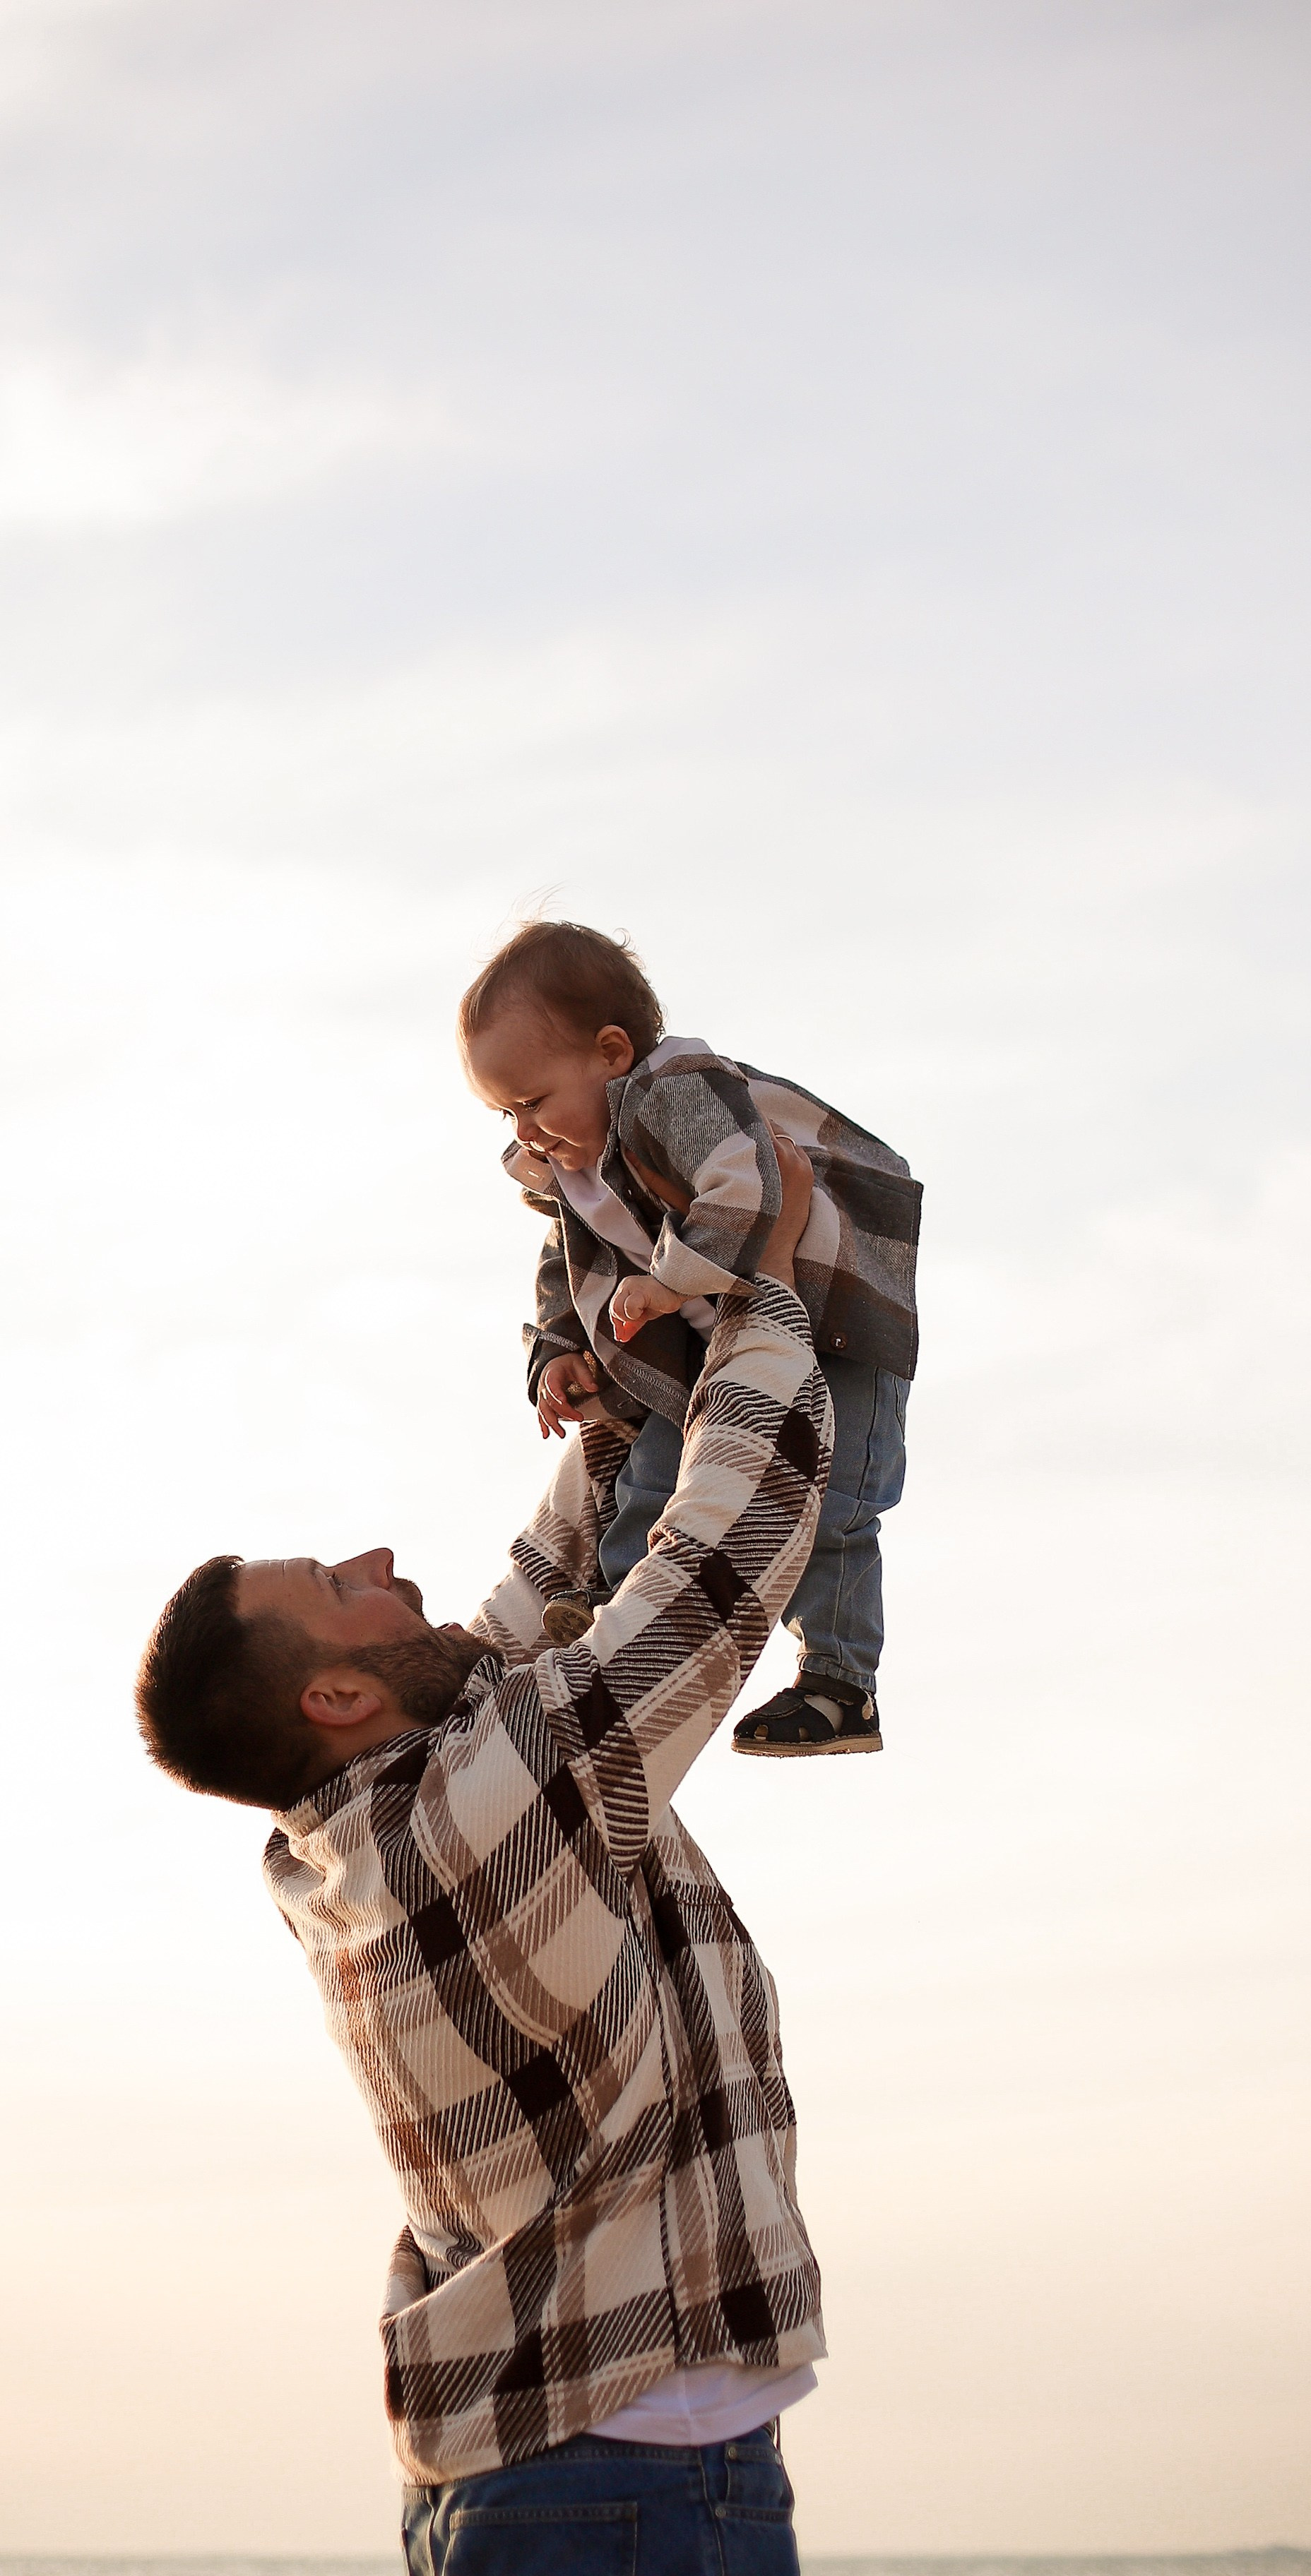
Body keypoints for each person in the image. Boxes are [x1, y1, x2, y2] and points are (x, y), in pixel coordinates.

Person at [135, 1138, 834, 2571]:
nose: (384, 1559)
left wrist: (610, 1399)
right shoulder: (480, 1807)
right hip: (629, 2489)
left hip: (556, 2476)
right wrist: (761, 1298)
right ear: (337, 1698)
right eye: (341, 1587)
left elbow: (526, 1605)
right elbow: (726, 1550)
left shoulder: (350, 1834)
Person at [461, 919, 921, 1755]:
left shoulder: (674, 1087)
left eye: (532, 1101)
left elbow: (749, 1185)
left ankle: (839, 1683)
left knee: (833, 1510)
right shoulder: (572, 1166)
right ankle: (611, 1619)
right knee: (650, 1478)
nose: (524, 1131)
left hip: (832, 1327)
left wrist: (668, 1280)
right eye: (503, 1113)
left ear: (609, 1053)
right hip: (713, 1354)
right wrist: (555, 1349)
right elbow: (567, 1261)